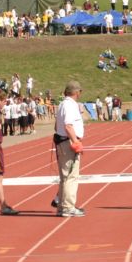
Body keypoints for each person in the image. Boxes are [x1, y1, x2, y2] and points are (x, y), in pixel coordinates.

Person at [53, 81, 86, 217]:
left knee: (65, 176)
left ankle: (62, 206)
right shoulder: (70, 105)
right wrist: (76, 142)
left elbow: (57, 126)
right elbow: (68, 126)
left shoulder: (63, 104)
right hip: (68, 143)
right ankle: (68, 207)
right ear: (77, 92)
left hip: (63, 142)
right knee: (71, 176)